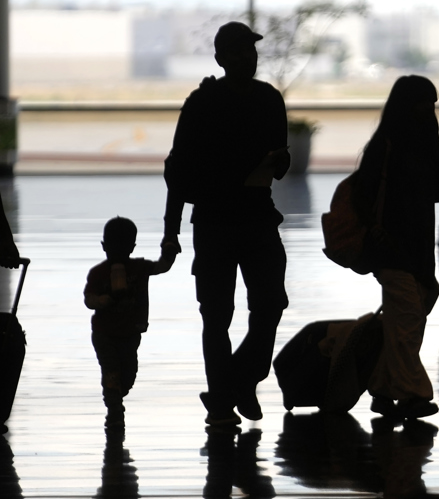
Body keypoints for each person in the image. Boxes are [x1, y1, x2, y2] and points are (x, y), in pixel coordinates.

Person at [161, 21, 291, 426]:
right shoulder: (207, 103)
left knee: (262, 306)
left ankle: (229, 387)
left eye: (249, 51)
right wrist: (170, 232)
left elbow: (178, 171)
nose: (245, 58)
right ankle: (234, 387)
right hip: (226, 220)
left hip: (241, 217)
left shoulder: (262, 100)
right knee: (224, 313)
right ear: (220, 58)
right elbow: (179, 170)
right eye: (237, 52)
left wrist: (280, 161)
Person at [353, 75, 439, 419]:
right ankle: (413, 394)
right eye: (423, 103)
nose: (428, 110)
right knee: (408, 315)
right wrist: (375, 230)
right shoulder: (393, 147)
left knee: (405, 316)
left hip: (414, 247)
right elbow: (363, 196)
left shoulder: (416, 146)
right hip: (392, 247)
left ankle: (382, 387)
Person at [84, 217, 177, 429]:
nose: (117, 252)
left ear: (132, 248)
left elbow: (162, 267)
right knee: (111, 370)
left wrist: (169, 251)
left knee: (127, 375)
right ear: (104, 247)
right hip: (105, 334)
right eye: (114, 248)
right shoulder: (98, 273)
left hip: (130, 333)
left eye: (122, 247)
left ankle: (116, 397)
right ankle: (114, 409)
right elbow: (89, 299)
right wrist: (101, 301)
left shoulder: (139, 267)